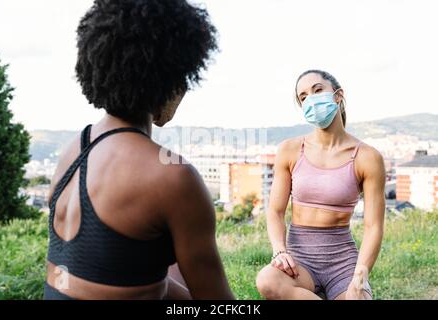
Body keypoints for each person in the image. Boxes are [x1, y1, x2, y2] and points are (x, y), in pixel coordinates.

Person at [44, 0, 234, 300]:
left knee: (168, 265)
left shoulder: (74, 149)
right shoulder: (173, 176)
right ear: (172, 81)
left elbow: (110, 273)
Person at [256, 69, 386, 300]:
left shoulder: (367, 157)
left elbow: (373, 226)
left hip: (343, 263)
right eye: (303, 97)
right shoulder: (290, 150)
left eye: (318, 90)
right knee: (267, 280)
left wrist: (361, 274)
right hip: (299, 263)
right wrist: (279, 250)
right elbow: (275, 211)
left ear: (338, 95)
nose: (311, 100)